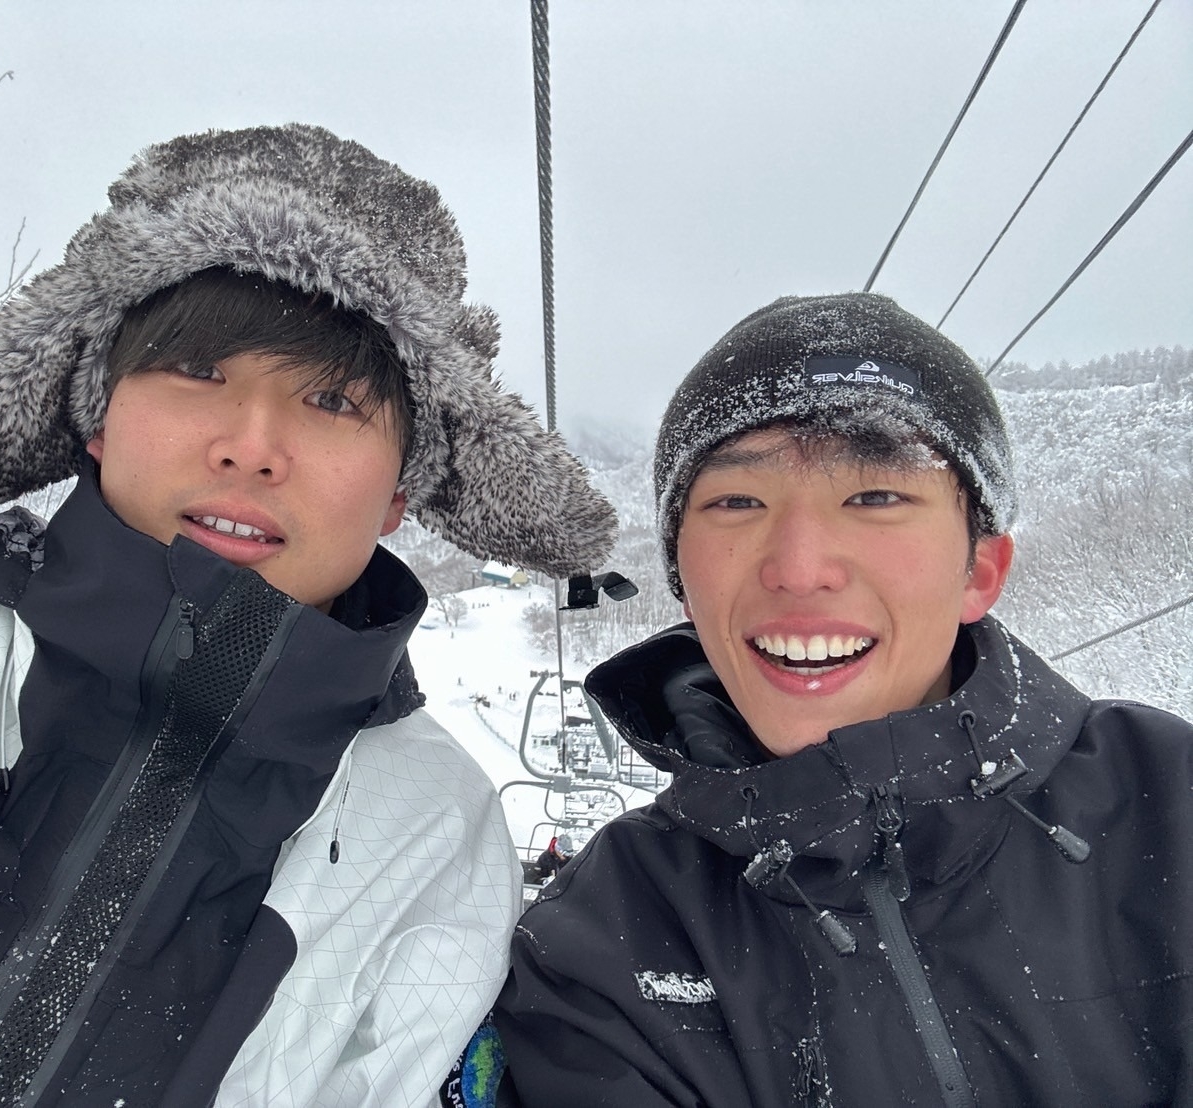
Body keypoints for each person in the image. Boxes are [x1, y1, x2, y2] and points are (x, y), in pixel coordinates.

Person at [0, 123, 617, 1107]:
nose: (251, 446)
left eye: (330, 399)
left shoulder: (433, 832)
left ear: (400, 489)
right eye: (199, 370)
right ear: (99, 417)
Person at [493, 292, 1193, 1105]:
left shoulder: (1165, 801)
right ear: (683, 578)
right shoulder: (609, 936)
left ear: (979, 571)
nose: (798, 568)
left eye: (874, 498)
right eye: (736, 502)